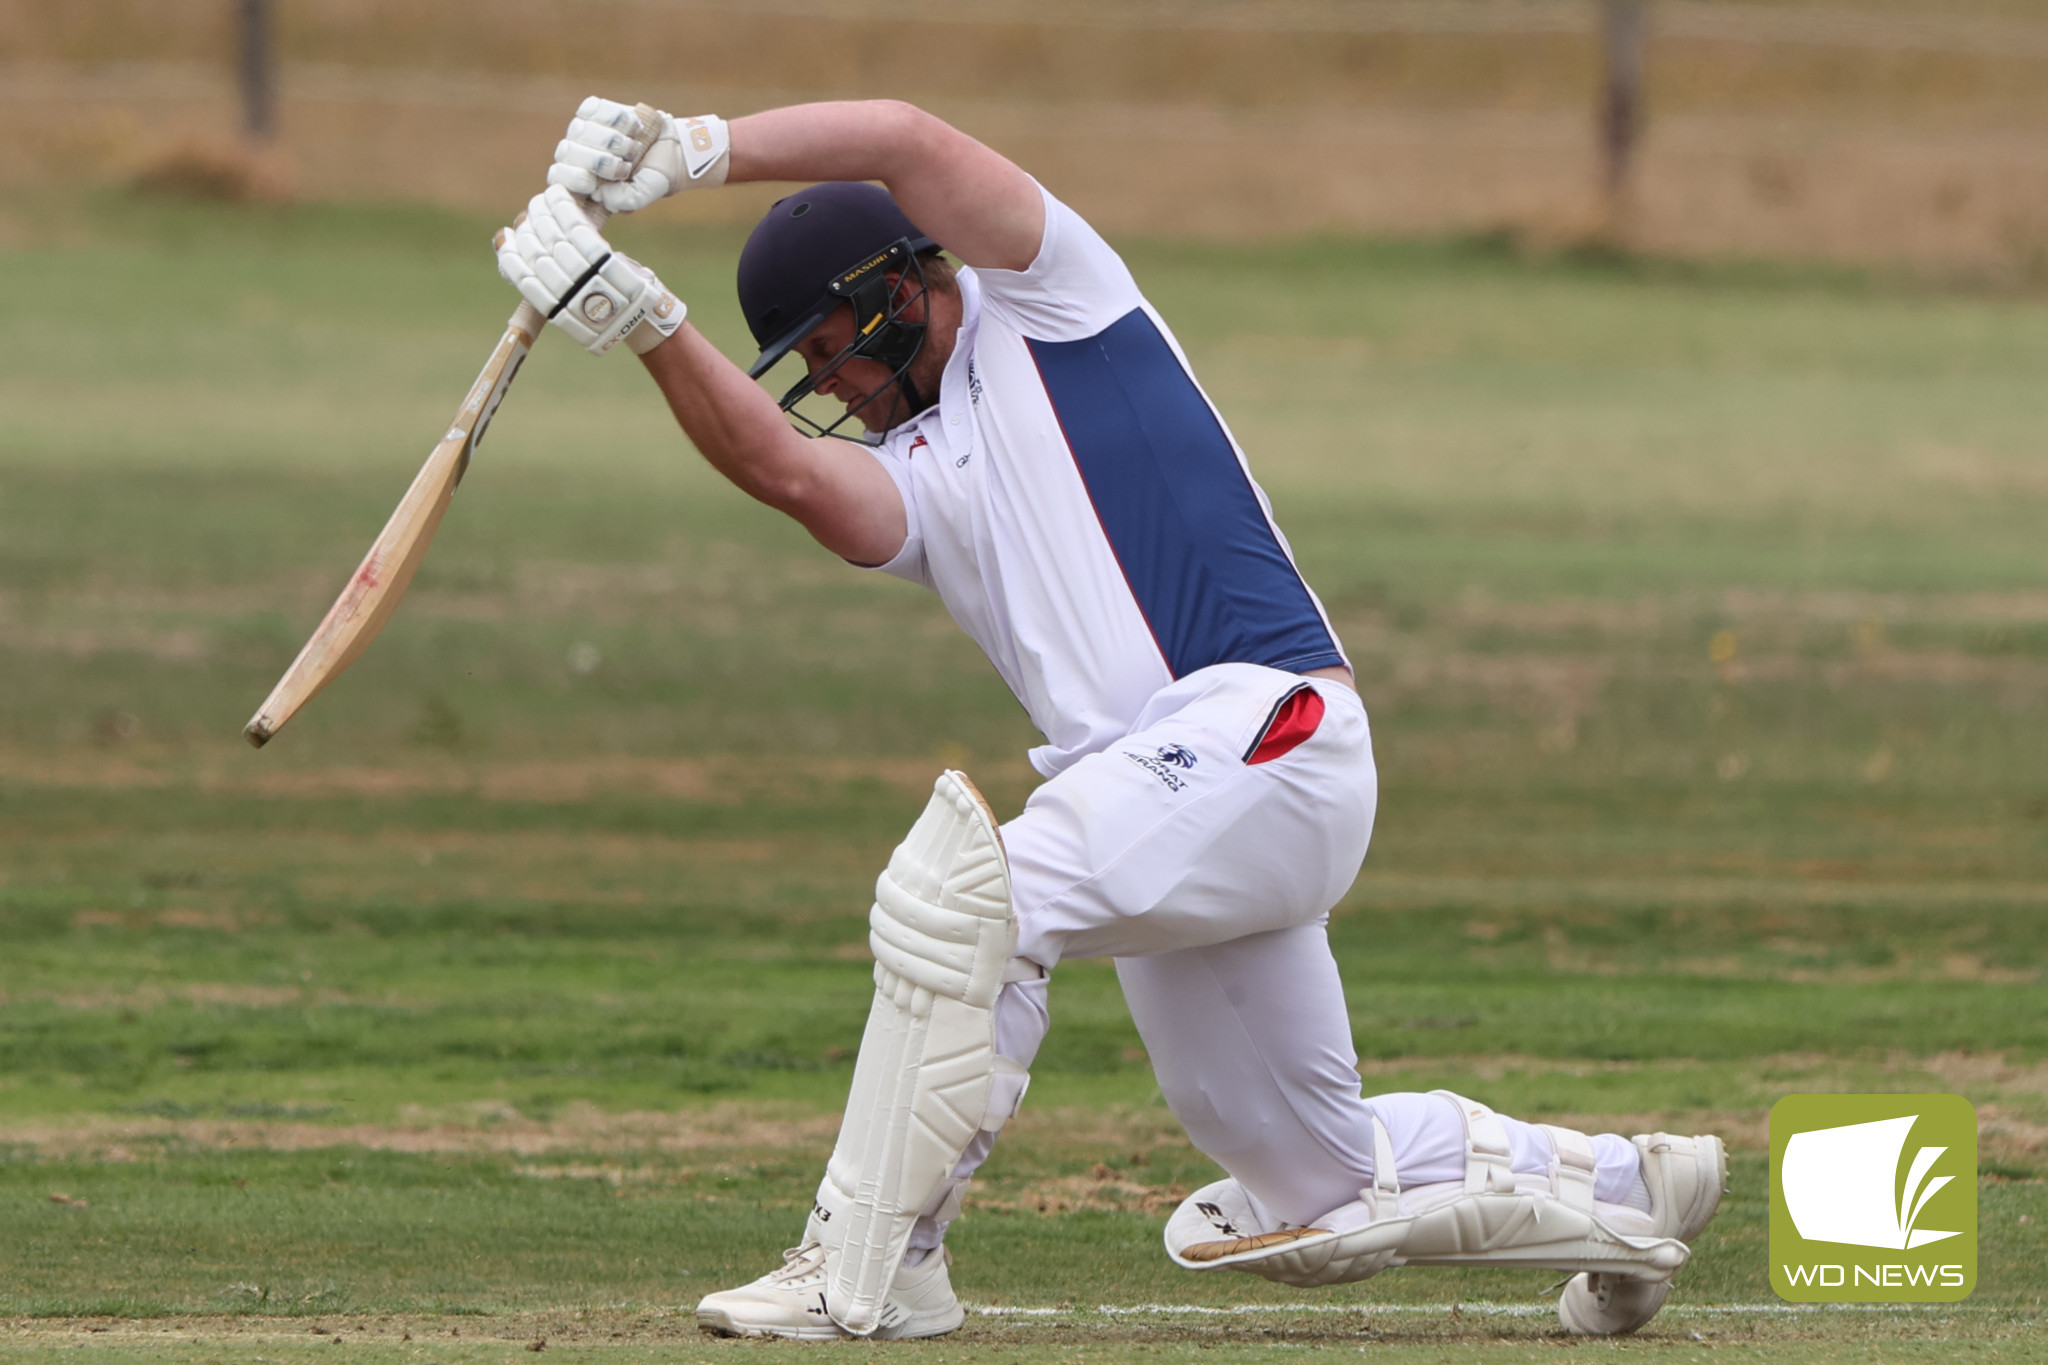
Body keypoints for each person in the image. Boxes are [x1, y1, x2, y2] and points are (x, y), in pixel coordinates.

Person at [493, 97, 1724, 1342]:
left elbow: (906, 142)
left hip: (1261, 729)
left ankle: (870, 1262)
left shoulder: (1052, 300)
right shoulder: (917, 477)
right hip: (1175, 796)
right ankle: (1634, 1185)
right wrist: (636, 316)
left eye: (827, 349)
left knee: (968, 901)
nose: (828, 389)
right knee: (1314, 1183)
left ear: (894, 292)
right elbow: (784, 471)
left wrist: (698, 149)